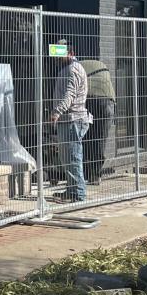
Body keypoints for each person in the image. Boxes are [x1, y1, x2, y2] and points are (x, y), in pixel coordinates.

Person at [50, 41, 93, 202]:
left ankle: (78, 194)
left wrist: (57, 111)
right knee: (67, 158)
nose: (58, 57)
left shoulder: (73, 69)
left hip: (73, 119)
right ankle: (71, 190)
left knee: (73, 157)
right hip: (68, 119)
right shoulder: (67, 68)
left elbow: (70, 94)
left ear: (70, 52)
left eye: (61, 53)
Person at [78, 56, 116, 184]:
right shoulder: (97, 64)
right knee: (100, 139)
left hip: (92, 100)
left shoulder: (73, 68)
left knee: (87, 138)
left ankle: (88, 174)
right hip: (109, 101)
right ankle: (95, 174)